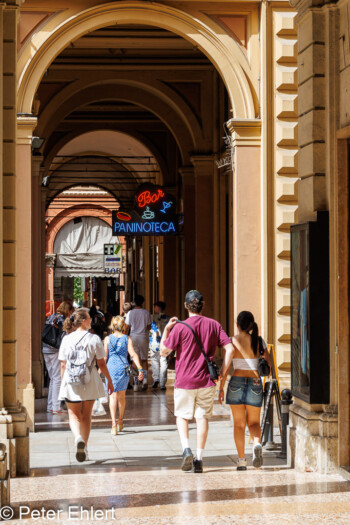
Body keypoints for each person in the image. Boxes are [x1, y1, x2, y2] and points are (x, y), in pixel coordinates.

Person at [160, 290, 234, 473]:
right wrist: (223, 375)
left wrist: (166, 330)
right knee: (202, 419)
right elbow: (230, 349)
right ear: (203, 305)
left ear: (186, 306)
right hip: (206, 381)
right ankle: (199, 459)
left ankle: (186, 449)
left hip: (184, 381)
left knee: (182, 416)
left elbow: (163, 351)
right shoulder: (214, 325)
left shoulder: (180, 327)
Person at [58, 308, 114, 462]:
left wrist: (64, 382)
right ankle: (85, 447)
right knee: (86, 415)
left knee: (73, 415)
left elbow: (63, 364)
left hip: (71, 381)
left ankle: (77, 439)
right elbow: (101, 363)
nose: (91, 321)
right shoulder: (94, 339)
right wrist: (109, 380)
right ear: (83, 321)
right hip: (89, 380)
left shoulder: (66, 339)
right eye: (89, 318)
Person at [219, 311, 272, 471]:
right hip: (255, 382)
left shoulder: (232, 341)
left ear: (237, 324)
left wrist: (221, 387)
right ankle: (256, 444)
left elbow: (227, 365)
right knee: (254, 422)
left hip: (236, 382)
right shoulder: (259, 341)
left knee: (239, 425)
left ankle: (241, 460)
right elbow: (268, 366)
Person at [104, 316, 144, 434]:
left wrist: (100, 369)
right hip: (123, 369)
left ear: (112, 326)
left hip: (110, 368)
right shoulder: (127, 338)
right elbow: (133, 355)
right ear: (123, 326)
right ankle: (120, 421)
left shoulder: (107, 339)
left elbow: (105, 357)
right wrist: (140, 368)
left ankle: (113, 424)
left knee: (112, 396)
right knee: (121, 396)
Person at [42, 301, 73, 414]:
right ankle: (55, 407)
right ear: (68, 310)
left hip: (45, 349)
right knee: (57, 378)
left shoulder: (51, 316)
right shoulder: (62, 319)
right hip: (54, 350)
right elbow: (64, 334)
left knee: (52, 378)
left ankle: (50, 405)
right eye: (70, 311)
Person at [124, 295, 152, 391]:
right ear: (143, 302)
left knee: (134, 360)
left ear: (134, 303)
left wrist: (124, 336)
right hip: (143, 337)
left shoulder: (130, 313)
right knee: (144, 360)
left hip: (133, 337)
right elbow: (149, 327)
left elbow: (127, 327)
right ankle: (144, 380)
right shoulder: (146, 313)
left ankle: (135, 384)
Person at [150, 301, 170, 390]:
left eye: (155, 307)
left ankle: (156, 378)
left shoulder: (152, 317)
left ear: (158, 307)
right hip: (166, 343)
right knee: (164, 361)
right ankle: (162, 383)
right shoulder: (168, 319)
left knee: (154, 360)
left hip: (154, 343)